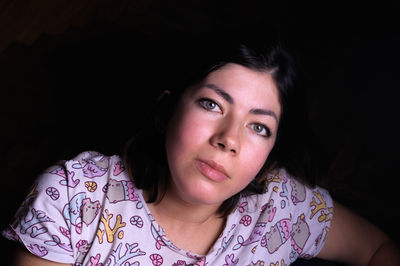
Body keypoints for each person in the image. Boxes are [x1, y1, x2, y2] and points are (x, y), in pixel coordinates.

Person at [2, 39, 399, 265]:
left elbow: (378, 249)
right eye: (212, 105)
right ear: (167, 109)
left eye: (259, 127)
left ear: (271, 155)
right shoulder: (75, 197)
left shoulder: (282, 207)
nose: (229, 138)